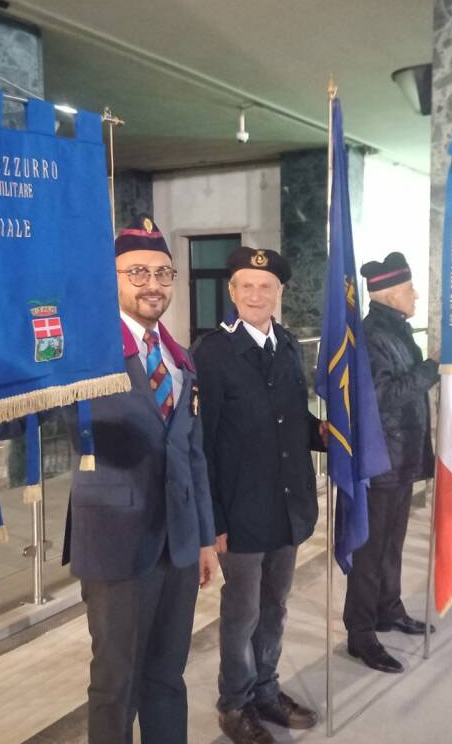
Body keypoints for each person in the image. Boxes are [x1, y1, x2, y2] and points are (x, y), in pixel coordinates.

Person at [67, 216, 220, 744]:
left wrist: (204, 537)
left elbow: (193, 454)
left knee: (166, 675)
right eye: (136, 272)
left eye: (163, 272)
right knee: (116, 683)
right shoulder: (87, 353)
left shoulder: (179, 359)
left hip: (176, 543)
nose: (152, 284)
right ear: (110, 279)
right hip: (116, 541)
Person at [193, 247, 326, 744]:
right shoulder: (212, 354)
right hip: (241, 512)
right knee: (242, 612)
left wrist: (325, 433)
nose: (255, 294)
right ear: (232, 292)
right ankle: (235, 703)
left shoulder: (288, 345)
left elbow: (290, 418)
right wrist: (214, 521)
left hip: (288, 506)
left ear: (279, 293)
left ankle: (267, 690)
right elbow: (201, 444)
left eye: (265, 286)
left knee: (276, 605)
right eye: (245, 286)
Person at [342, 252, 437, 674]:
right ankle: (360, 633)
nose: (416, 295)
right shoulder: (371, 335)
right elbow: (381, 396)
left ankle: (389, 608)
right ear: (390, 294)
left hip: (401, 456)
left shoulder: (395, 329)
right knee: (370, 548)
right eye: (410, 289)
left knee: (392, 542)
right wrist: (431, 369)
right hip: (381, 459)